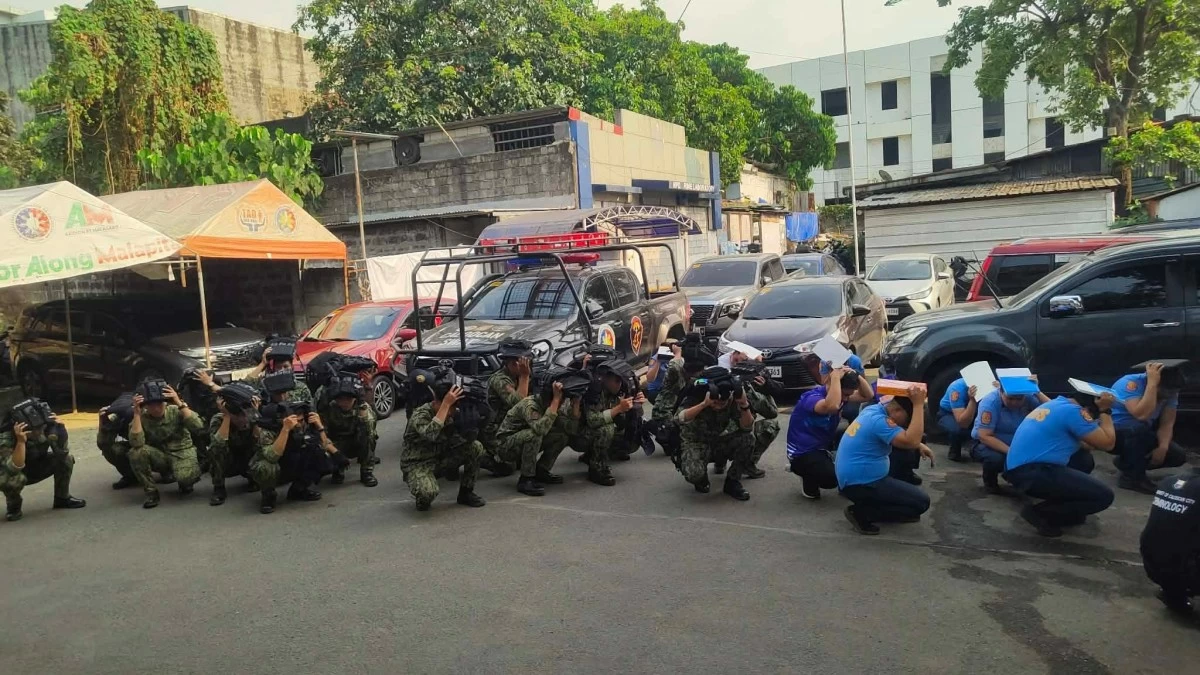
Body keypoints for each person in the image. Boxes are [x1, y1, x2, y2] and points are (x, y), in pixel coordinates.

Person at [1004, 393, 1118, 537]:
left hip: (1019, 469)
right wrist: (1105, 411)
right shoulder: (1075, 413)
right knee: (1104, 496)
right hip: (1034, 472)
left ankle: (1063, 506)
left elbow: (1089, 444)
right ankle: (1041, 513)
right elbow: (1108, 443)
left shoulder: (1058, 404)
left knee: (1084, 460)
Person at [836, 388, 935, 535]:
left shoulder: (874, 410)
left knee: (904, 450)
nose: (906, 425)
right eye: (907, 419)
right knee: (921, 503)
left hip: (852, 477)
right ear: (897, 410)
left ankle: (878, 501)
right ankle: (862, 512)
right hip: (861, 482)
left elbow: (910, 440)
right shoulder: (880, 421)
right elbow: (911, 440)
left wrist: (919, 445)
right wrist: (918, 405)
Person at [401, 372, 487, 511]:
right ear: (437, 401)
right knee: (427, 493)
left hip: (441, 458)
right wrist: (446, 404)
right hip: (418, 463)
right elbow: (431, 434)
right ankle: (422, 495)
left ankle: (466, 493)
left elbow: (462, 441)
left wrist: (471, 429)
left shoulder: (453, 413)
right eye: (452, 406)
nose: (453, 411)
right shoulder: (420, 414)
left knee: (476, 447)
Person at [787, 363, 874, 499]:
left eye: (848, 395)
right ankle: (804, 473)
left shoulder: (840, 396)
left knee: (856, 438)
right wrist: (834, 377)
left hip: (824, 443)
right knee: (831, 479)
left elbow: (868, 396)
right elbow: (831, 406)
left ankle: (831, 463)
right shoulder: (811, 398)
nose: (846, 399)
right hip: (803, 452)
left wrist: (854, 374)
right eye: (845, 394)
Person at [496, 369, 584, 496]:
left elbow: (570, 430)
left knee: (562, 436)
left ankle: (541, 470)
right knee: (533, 435)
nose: (562, 402)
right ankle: (526, 479)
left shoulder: (550, 406)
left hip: (522, 442)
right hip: (506, 447)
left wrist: (575, 409)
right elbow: (540, 429)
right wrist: (555, 401)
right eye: (561, 399)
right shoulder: (530, 405)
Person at [676, 367, 755, 501]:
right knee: (694, 474)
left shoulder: (735, 397)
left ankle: (732, 481)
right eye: (716, 403)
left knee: (748, 439)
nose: (718, 406)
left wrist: (744, 404)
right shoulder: (697, 395)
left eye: (722, 403)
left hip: (722, 441)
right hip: (698, 443)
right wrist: (703, 404)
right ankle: (701, 478)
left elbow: (747, 427)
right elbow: (680, 418)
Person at [1110, 361, 1189, 494]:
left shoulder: (1170, 392)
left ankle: (1127, 463)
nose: (1170, 395)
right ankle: (1131, 478)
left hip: (1141, 434)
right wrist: (1152, 385)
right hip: (1115, 434)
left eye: (1174, 392)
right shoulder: (1130, 384)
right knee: (1140, 430)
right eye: (1167, 391)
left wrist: (1162, 447)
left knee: (1177, 455)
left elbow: (1167, 423)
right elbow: (1141, 414)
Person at [0, 399, 85, 522]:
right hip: (14, 473)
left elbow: (62, 454)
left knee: (66, 459)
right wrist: (20, 442)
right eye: (36, 429)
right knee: (9, 480)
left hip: (36, 466)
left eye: (42, 427)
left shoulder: (45, 427)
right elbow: (13, 468)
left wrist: (61, 431)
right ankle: (14, 507)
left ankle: (62, 498)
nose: (40, 432)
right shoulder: (5, 439)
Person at [129, 379, 206, 509]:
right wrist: (136, 414)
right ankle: (151, 492)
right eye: (151, 404)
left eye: (159, 403)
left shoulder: (176, 410)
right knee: (136, 452)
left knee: (185, 478)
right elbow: (136, 443)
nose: (156, 408)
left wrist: (178, 401)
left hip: (182, 453)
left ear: (164, 402)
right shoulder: (142, 417)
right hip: (161, 457)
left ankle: (186, 481)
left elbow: (198, 427)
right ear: (145, 405)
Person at [249, 406, 339, 514]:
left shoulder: (304, 426)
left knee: (322, 456)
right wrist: (286, 429)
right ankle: (268, 495)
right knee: (265, 466)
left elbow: (324, 446)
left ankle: (298, 489)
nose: (298, 424)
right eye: (295, 421)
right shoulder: (268, 431)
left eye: (301, 420)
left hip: (292, 461)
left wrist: (320, 427)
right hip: (275, 466)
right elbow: (272, 456)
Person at [970, 377, 1048, 494]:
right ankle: (990, 481)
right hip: (987, 444)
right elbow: (985, 436)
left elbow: (1055, 410)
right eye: (1010, 398)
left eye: (1019, 399)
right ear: (1001, 392)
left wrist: (1037, 391)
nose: (1015, 402)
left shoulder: (1028, 398)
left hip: (1018, 441)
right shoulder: (990, 402)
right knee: (995, 459)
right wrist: (1013, 452)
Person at [1140, 469, 1200, 616]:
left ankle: (1174, 594)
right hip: (1186, 571)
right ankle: (1182, 587)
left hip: (1152, 565)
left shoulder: (1171, 480)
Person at [574, 363, 644, 486]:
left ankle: (592, 455)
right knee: (606, 429)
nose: (619, 384)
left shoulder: (619, 392)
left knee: (635, 435)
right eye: (616, 381)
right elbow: (592, 420)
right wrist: (618, 409)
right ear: (606, 379)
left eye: (621, 381)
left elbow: (624, 422)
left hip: (592, 432)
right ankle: (597, 469)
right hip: (577, 433)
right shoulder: (594, 391)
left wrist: (636, 407)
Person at [479, 339, 533, 478]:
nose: (528, 366)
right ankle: (479, 456)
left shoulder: (516, 376)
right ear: (512, 364)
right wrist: (525, 377)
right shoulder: (500, 380)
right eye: (524, 362)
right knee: (507, 467)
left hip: (510, 425)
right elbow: (519, 405)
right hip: (494, 430)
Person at [317, 373, 378, 488]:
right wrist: (336, 454)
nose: (344, 402)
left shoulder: (362, 408)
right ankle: (337, 470)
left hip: (356, 441)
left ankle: (366, 472)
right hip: (336, 443)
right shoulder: (329, 409)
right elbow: (322, 435)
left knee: (369, 438)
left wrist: (362, 410)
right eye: (341, 399)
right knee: (321, 451)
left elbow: (370, 430)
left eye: (348, 399)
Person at [207, 382, 263, 506]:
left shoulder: (251, 416)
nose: (243, 420)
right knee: (216, 449)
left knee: (261, 448)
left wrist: (254, 417)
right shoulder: (219, 419)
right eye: (238, 416)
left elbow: (260, 441)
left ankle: (254, 479)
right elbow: (217, 445)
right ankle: (219, 487)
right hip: (228, 461)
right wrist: (227, 417)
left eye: (244, 415)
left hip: (247, 458)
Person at [242, 339, 312, 403]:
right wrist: (263, 363)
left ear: (292, 367)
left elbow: (311, 410)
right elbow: (245, 384)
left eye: (286, 367)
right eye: (279, 367)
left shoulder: (301, 388)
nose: (282, 370)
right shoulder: (266, 386)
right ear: (274, 369)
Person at [97, 392, 137, 489]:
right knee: (111, 449)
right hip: (135, 443)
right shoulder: (118, 417)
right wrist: (102, 422)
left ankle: (167, 472)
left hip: (154, 445)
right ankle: (129, 476)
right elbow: (102, 443)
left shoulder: (152, 412)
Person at [938, 377, 978, 462]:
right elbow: (963, 422)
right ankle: (955, 450)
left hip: (974, 413)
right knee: (958, 430)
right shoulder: (957, 388)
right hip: (948, 413)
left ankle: (976, 448)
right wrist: (972, 400)